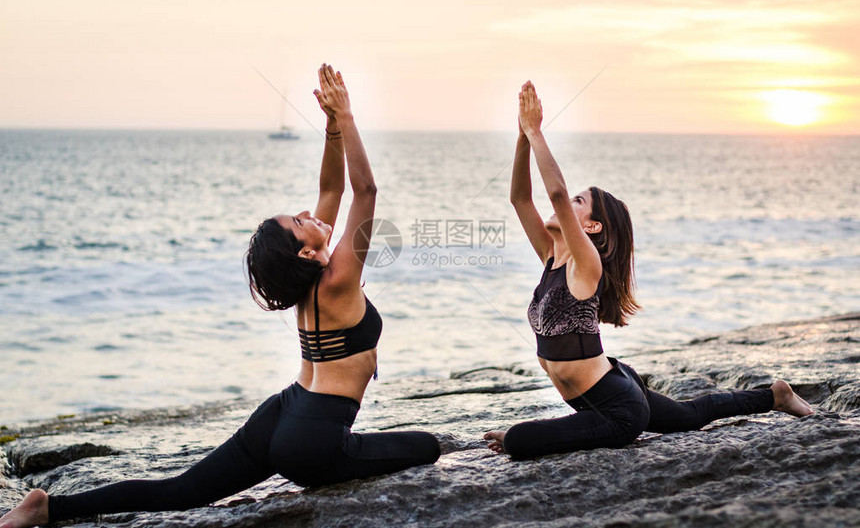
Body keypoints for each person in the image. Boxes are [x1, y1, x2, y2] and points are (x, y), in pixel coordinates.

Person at [0, 64, 440, 528]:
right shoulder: (337, 279)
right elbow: (364, 190)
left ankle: (49, 507)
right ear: (307, 250)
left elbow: (332, 187)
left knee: (183, 491)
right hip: (315, 437)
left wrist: (330, 128)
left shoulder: (307, 278)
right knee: (429, 448)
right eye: (299, 220)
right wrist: (348, 117)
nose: (310, 212)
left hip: (285, 409)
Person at [483, 81, 813, 460]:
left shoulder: (585, 264)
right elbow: (519, 198)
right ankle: (775, 395)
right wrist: (523, 134)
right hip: (612, 384)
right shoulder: (550, 256)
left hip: (618, 409)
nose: (562, 203)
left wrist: (538, 131)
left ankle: (776, 397)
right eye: (572, 197)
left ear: (591, 227)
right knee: (690, 414)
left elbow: (555, 193)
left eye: (578, 202)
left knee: (519, 441)